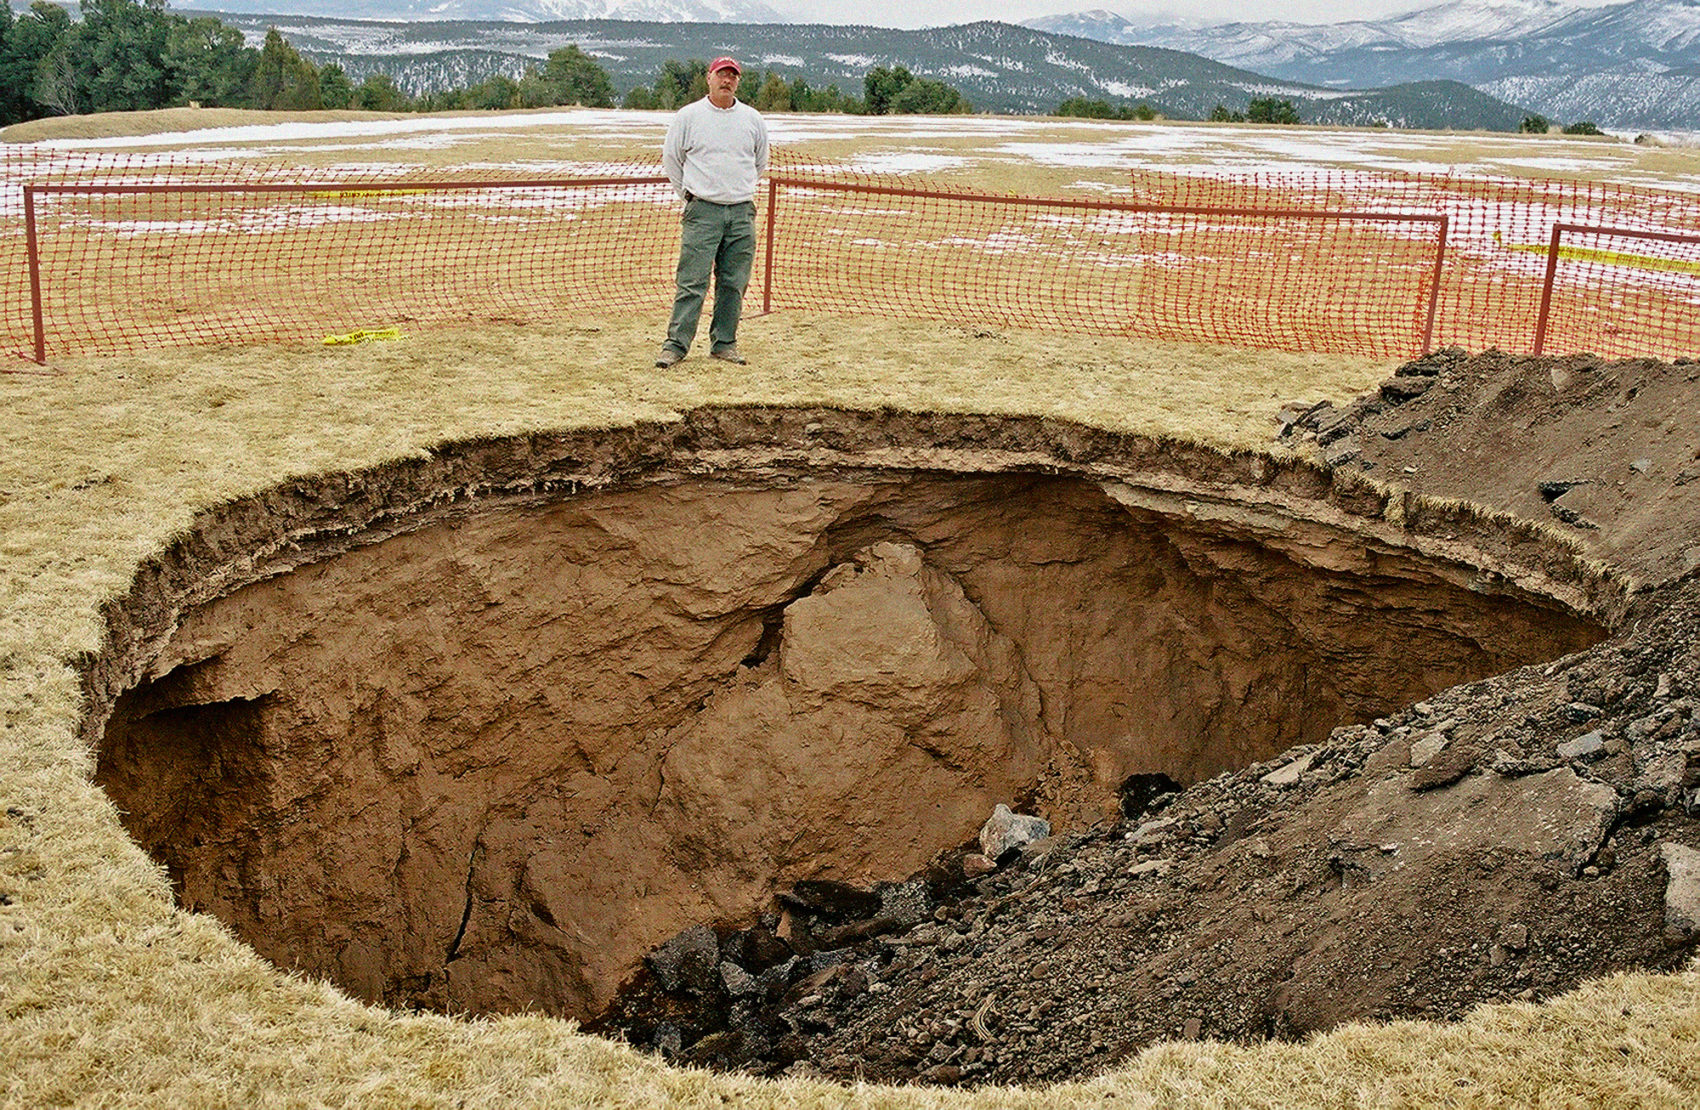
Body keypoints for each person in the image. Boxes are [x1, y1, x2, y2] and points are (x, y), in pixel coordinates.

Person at [655, 56, 769, 368]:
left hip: (741, 213)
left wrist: (736, 191)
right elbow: (672, 159)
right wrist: (690, 195)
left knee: (734, 282)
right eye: (722, 74)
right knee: (692, 282)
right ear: (709, 78)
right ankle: (675, 346)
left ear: (738, 81)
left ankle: (724, 343)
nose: (727, 80)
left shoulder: (752, 119)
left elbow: (759, 162)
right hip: (702, 212)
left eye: (733, 76)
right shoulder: (689, 116)